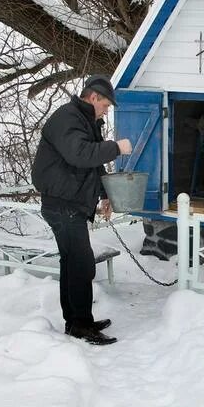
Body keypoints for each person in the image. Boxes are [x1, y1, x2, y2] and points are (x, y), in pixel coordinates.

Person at [31, 75, 132, 346]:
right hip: (61, 205)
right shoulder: (68, 117)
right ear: (94, 97)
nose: (107, 111)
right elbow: (80, 154)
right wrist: (116, 148)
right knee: (80, 263)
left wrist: (105, 194)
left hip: (70, 204)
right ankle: (80, 326)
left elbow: (91, 165)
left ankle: (77, 321)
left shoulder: (85, 121)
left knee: (74, 263)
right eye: (106, 105)